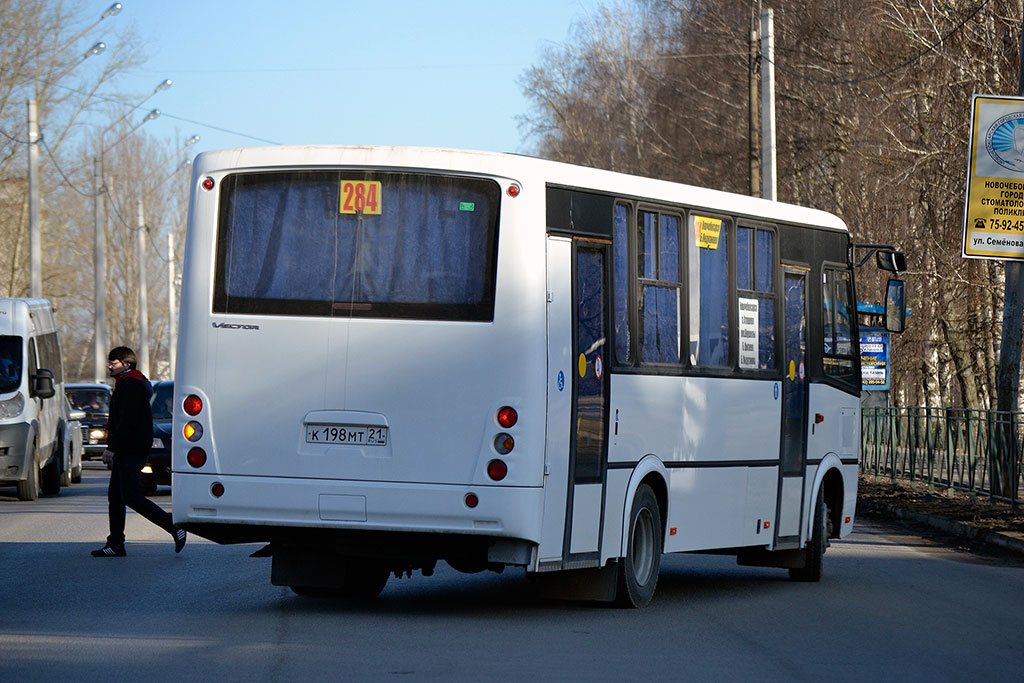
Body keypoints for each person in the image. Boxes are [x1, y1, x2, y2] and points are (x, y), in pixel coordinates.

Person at [91, 346, 186, 557]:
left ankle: (173, 526)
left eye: (113, 362)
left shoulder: (131, 386)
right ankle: (115, 543)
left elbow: (126, 421)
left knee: (131, 497)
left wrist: (111, 448)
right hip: (129, 448)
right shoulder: (128, 383)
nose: (109, 365)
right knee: (116, 497)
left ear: (126, 364)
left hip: (130, 449)